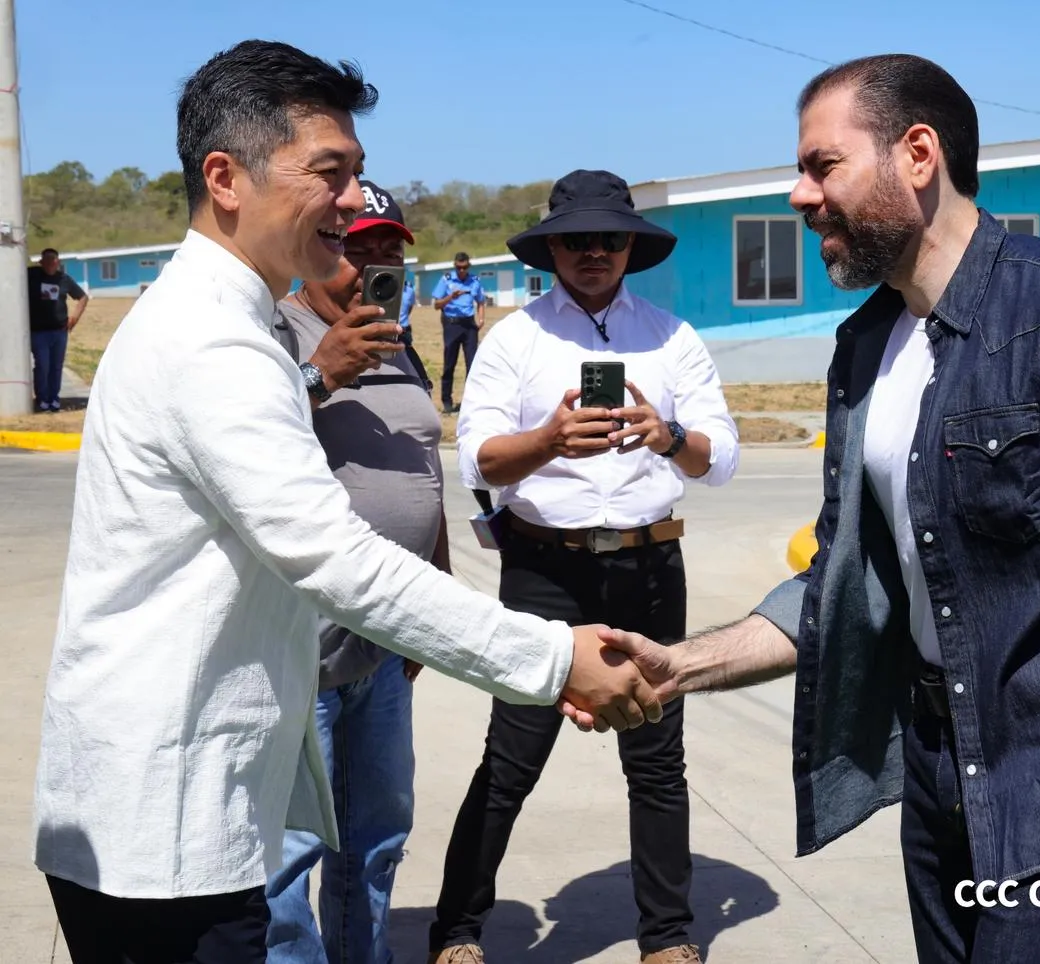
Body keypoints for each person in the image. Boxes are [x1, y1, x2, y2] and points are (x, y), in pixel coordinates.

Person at [568, 55, 1040, 964]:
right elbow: (847, 577)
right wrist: (679, 667)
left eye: (823, 166)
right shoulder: (866, 347)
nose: (799, 195)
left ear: (918, 154)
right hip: (935, 770)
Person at [32, 40, 660, 964]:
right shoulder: (214, 343)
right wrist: (552, 656)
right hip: (166, 831)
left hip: (180, 806)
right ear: (226, 178)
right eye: (329, 173)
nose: (353, 200)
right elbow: (333, 555)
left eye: (357, 174)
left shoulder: (223, 320)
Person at [429, 169, 740, 964]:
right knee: (511, 758)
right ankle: (456, 931)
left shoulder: (672, 337)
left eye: (609, 238)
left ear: (631, 245)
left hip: (648, 565)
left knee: (657, 759)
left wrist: (667, 435)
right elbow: (477, 458)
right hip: (546, 570)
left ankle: (667, 937)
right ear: (552, 248)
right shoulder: (517, 339)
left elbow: (722, 458)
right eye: (576, 239)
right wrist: (549, 441)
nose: (594, 251)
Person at [265, 179, 441, 963]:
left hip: (385, 641)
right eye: (354, 249)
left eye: (388, 252)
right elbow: (244, 445)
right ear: (315, 248)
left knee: (377, 837)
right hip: (303, 648)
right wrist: (319, 372)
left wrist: (431, 602)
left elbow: (421, 470)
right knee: (290, 852)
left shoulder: (398, 342)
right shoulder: (276, 333)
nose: (373, 267)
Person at [27, 247, 88, 412]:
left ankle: (54, 398)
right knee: (42, 365)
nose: (50, 262)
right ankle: (42, 399)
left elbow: (82, 297)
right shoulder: (31, 275)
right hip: (38, 332)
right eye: (46, 259)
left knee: (56, 366)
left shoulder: (64, 279)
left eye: (53, 259)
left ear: (58, 262)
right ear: (41, 262)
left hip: (59, 331)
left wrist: (74, 318)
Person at [432, 251, 485, 413]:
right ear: (455, 266)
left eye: (465, 267)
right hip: (452, 324)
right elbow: (436, 305)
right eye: (459, 268)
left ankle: (471, 402)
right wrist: (451, 297)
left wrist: (481, 319)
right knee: (449, 363)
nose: (462, 271)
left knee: (472, 364)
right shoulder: (446, 280)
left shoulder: (474, 281)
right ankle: (447, 401)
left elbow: (481, 301)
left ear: (468, 266)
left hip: (469, 325)